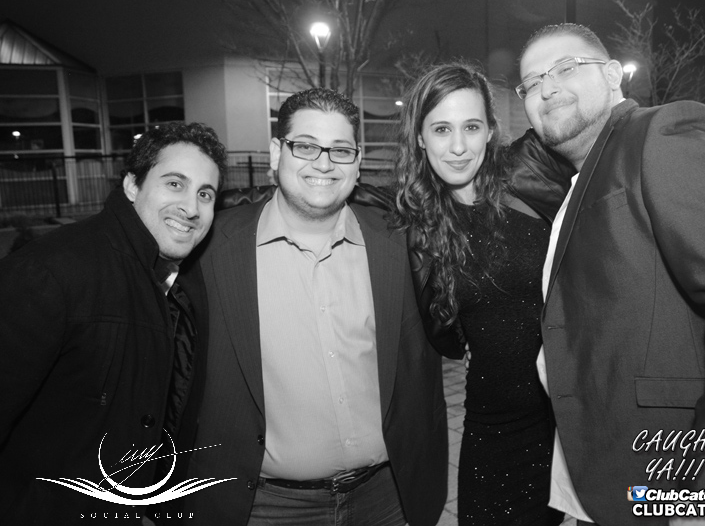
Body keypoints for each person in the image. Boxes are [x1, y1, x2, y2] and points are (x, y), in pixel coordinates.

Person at [511, 23, 705, 526]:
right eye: (531, 83)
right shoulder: (582, 178)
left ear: (611, 75)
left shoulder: (664, 132)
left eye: (565, 68)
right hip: (610, 473)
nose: (547, 88)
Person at [180, 88, 448, 526]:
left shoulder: (403, 243)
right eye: (305, 146)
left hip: (388, 498)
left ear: (357, 163)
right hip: (264, 508)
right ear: (276, 153)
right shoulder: (208, 250)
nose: (323, 163)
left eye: (340, 150)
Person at [0, 122, 227, 524]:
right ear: (132, 186)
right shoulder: (50, 271)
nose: (192, 208)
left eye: (204, 194)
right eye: (175, 184)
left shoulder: (178, 283)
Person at [392, 61, 568, 526]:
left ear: (491, 131)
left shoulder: (533, 182)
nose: (458, 146)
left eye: (471, 127)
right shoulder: (417, 225)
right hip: (494, 431)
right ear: (419, 137)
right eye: (441, 129)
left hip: (570, 419)